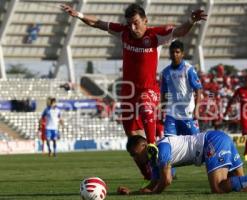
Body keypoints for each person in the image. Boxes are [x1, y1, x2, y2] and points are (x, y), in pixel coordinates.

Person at [61, 3, 207, 180]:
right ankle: (149, 174)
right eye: (130, 23)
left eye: (136, 23)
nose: (133, 27)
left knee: (146, 106)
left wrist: (191, 21)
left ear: (145, 21)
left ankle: (152, 144)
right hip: (128, 93)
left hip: (148, 89)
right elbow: (98, 23)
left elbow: (180, 32)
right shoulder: (124, 32)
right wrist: (79, 14)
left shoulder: (156, 35)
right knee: (133, 142)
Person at [118, 131, 247, 195]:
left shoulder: (161, 149)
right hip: (220, 139)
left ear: (143, 145)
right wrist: (132, 192)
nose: (135, 158)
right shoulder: (154, 157)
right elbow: (154, 184)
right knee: (243, 187)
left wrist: (154, 193)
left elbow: (166, 181)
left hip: (212, 143)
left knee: (219, 188)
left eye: (135, 154)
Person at [161, 40, 202, 136]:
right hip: (172, 114)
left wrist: (196, 110)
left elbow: (198, 90)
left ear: (182, 54)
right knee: (169, 142)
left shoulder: (189, 69)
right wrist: (162, 110)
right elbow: (164, 93)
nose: (175, 54)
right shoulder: (165, 72)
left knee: (195, 143)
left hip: (188, 114)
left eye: (177, 52)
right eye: (172, 52)